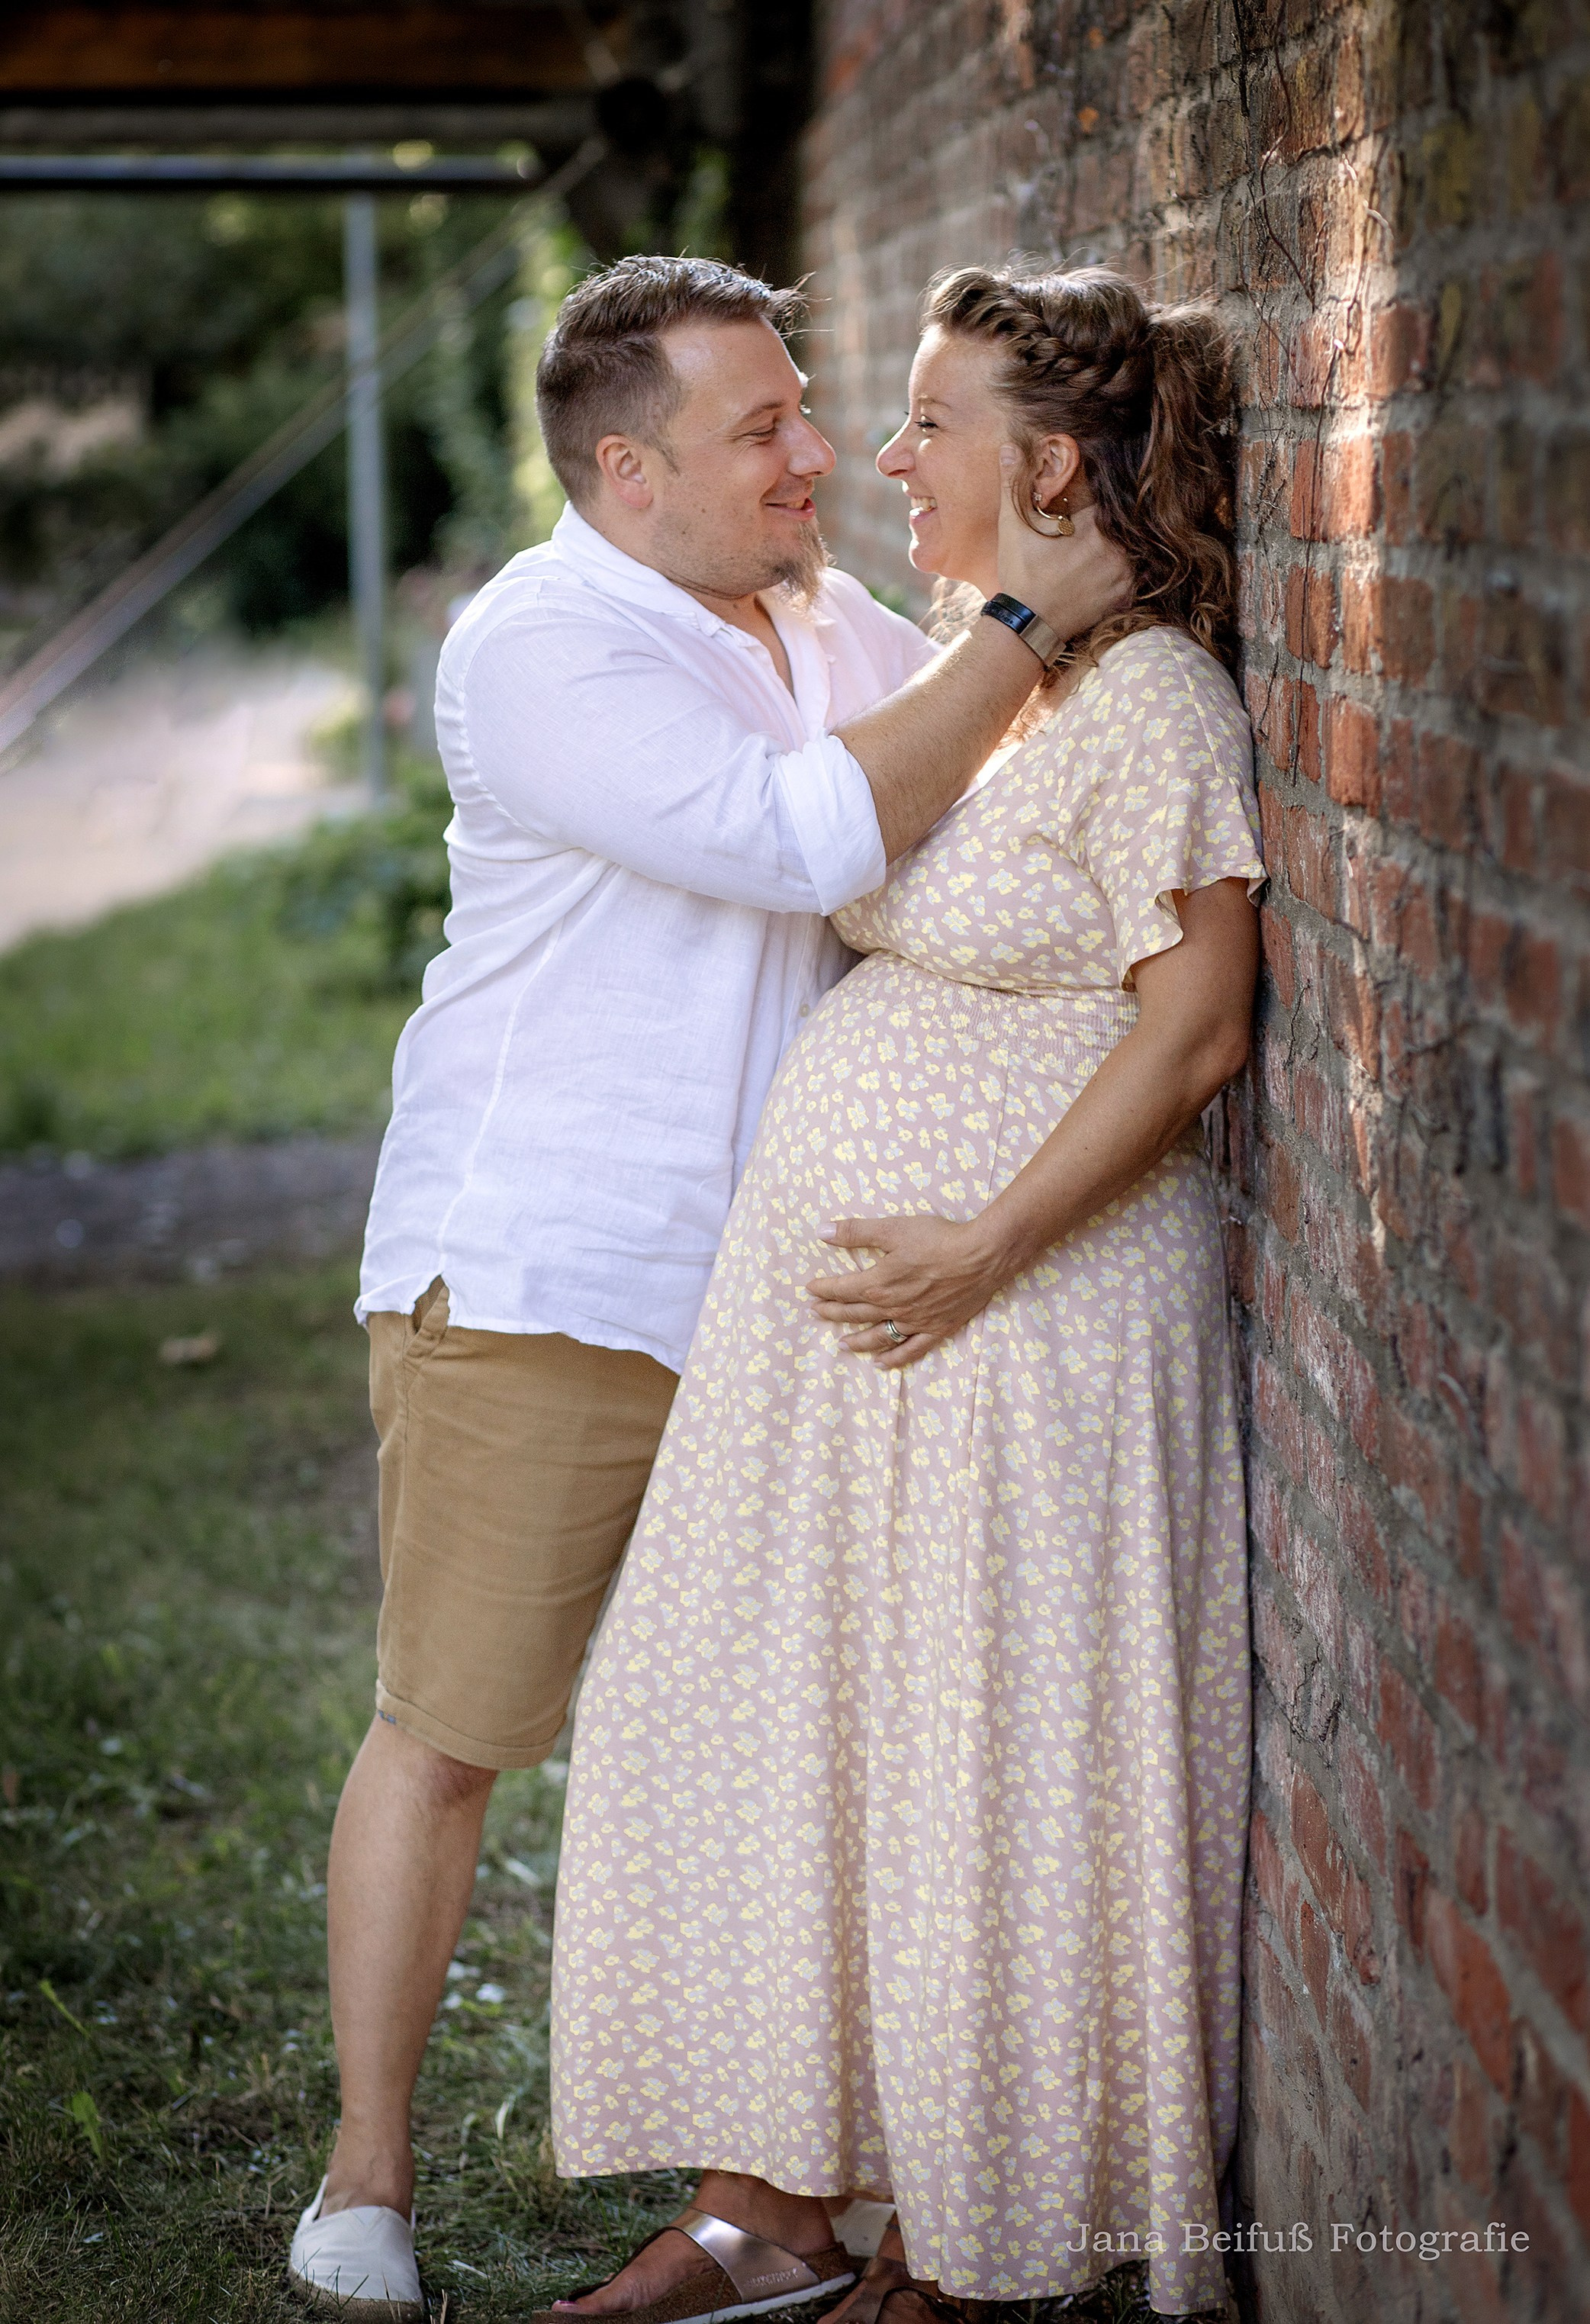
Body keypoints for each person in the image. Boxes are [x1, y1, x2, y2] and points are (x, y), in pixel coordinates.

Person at [287, 254, 1129, 2318]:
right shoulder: (540, 647)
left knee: (781, 1744)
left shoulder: (819, 617)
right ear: (621, 465)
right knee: (456, 1728)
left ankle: (779, 2208)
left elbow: (952, 816)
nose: (813, 455)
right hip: (557, 1278)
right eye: (759, 428)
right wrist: (1025, 619)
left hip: (781, 1304)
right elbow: (806, 837)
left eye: (809, 411)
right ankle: (365, 2183)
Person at [544, 263, 1266, 2324]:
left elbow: (1198, 1027)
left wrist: (985, 1240)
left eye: (926, 423)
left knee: (992, 1784)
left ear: (1041, 465)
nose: (878, 460)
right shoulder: (981, 661)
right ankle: (777, 2197)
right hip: (873, 1352)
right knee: (837, 1754)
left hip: (1022, 1327)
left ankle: (972, 2242)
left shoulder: (1153, 708)